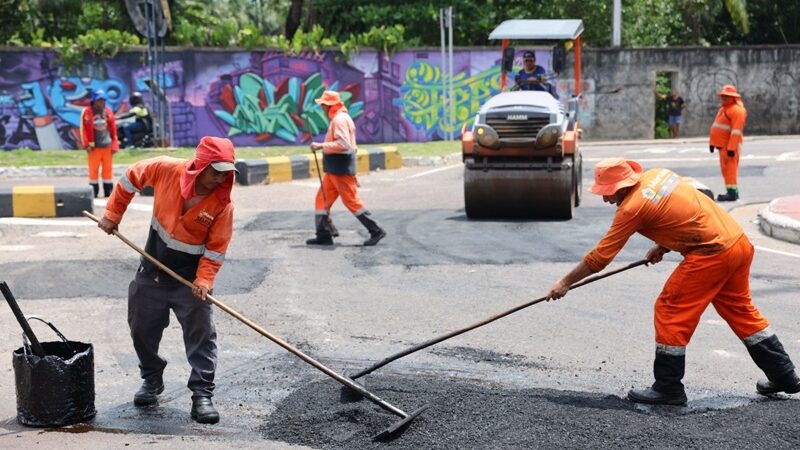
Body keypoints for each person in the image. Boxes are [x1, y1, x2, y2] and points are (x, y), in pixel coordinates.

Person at [546, 158, 800, 405]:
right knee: (741, 311)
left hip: (712, 253)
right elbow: (684, 212)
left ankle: (668, 387)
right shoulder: (659, 175)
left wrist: (565, 282)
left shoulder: (632, 208)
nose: (605, 198)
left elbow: (599, 258)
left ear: (623, 186)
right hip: (737, 243)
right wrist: (663, 245)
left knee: (670, 309)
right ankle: (784, 375)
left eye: (608, 192)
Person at [97, 136, 238, 424]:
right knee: (141, 329)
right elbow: (130, 178)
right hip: (151, 273)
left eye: (227, 173)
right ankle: (152, 377)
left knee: (202, 337)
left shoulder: (223, 204)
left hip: (190, 283)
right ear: (200, 166)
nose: (220, 178)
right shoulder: (166, 170)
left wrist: (204, 280)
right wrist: (113, 213)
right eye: (216, 171)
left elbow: (216, 249)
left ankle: (202, 394)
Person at [305, 90, 386, 247]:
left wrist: (321, 145)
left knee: (352, 202)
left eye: (323, 104)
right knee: (321, 199)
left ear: (330, 105)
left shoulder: (340, 120)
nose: (321, 107)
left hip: (340, 169)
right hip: (334, 169)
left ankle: (376, 230)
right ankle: (324, 234)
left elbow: (344, 144)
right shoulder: (339, 118)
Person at [709, 85, 747, 202]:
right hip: (722, 146)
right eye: (723, 96)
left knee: (730, 170)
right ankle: (730, 191)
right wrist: (712, 143)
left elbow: (736, 131)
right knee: (726, 170)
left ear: (733, 97)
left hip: (729, 147)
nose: (724, 98)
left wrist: (732, 148)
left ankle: (732, 193)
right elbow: (718, 127)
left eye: (727, 96)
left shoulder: (737, 111)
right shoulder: (724, 109)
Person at [80, 90, 119, 198]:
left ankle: (108, 192)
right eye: (99, 100)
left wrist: (115, 144)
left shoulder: (108, 112)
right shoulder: (87, 112)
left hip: (107, 146)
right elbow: (83, 129)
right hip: (94, 148)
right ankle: (94, 191)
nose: (102, 102)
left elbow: (113, 130)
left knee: (108, 170)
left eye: (103, 100)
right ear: (94, 101)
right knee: (93, 170)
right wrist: (86, 144)